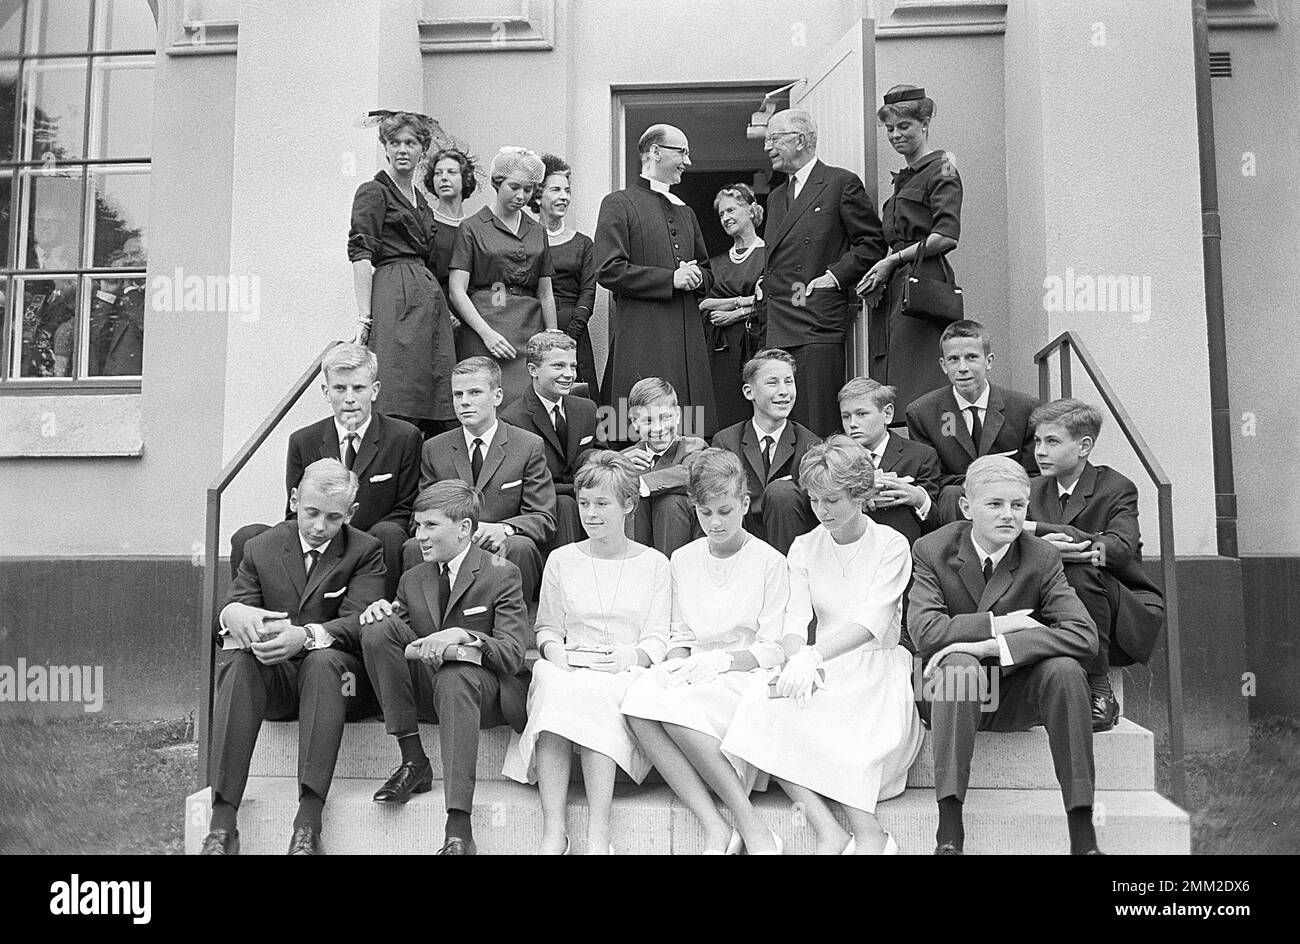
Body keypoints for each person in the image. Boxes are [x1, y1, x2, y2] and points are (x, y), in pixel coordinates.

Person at [723, 436, 922, 854]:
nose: (822, 510)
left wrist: (814, 655)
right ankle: (829, 832)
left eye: (832, 499)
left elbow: (872, 622)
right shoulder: (804, 546)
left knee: (848, 740)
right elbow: (794, 622)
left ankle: (872, 836)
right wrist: (798, 659)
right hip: (821, 665)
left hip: (877, 668)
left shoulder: (892, 545)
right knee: (762, 711)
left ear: (860, 492)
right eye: (814, 499)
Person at [909, 456, 1101, 855]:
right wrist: (1001, 624)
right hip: (950, 696)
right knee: (959, 665)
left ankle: (1083, 835)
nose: (1008, 515)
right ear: (966, 508)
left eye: (1018, 505)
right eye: (994, 504)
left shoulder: (1040, 556)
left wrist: (989, 645)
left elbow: (1083, 636)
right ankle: (949, 833)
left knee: (1065, 670)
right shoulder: (932, 549)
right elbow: (926, 633)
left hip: (1013, 694)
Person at [199, 459, 386, 855]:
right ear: (294, 499)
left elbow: (359, 624)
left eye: (333, 518)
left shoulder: (366, 550)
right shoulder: (261, 547)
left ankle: (307, 825)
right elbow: (237, 609)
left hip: (344, 685)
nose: (319, 526)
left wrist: (305, 637)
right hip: (282, 684)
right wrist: (234, 616)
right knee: (239, 662)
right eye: (311, 513)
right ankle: (221, 825)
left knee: (322, 661)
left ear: (350, 513)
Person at [502, 453, 671, 855]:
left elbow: (658, 637)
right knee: (555, 683)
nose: (590, 514)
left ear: (628, 505)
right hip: (569, 664)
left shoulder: (655, 564)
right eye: (584, 504)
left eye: (602, 504)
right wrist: (554, 651)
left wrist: (631, 658)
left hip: (622, 668)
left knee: (596, 693)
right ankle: (553, 830)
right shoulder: (561, 559)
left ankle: (599, 833)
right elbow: (545, 627)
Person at [621, 448, 788, 854]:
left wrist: (723, 662)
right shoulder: (682, 558)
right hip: (696, 669)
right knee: (638, 704)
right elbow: (679, 634)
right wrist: (674, 666)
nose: (715, 523)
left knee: (677, 713)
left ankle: (752, 826)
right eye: (705, 512)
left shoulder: (770, 561)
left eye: (726, 511)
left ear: (746, 504)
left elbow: (775, 648)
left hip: (744, 673)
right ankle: (714, 824)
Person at [355, 481, 530, 855]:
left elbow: (514, 654)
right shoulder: (413, 576)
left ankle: (458, 828)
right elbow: (397, 637)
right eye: (418, 526)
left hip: (482, 692)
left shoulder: (502, 572)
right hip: (428, 689)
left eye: (431, 526)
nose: (420, 536)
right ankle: (413, 759)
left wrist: (463, 636)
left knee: (454, 677)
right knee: (376, 628)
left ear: (464, 528)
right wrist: (379, 614)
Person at [229, 343, 422, 601]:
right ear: (326, 391)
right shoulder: (304, 440)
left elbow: (404, 510)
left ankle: (377, 622)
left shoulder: (403, 437)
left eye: (359, 388)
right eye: (340, 388)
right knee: (248, 536)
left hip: (372, 544)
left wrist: (354, 541)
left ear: (374, 391)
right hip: (318, 536)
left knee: (389, 533)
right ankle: (248, 623)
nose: (349, 398)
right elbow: (294, 508)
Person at [1025, 398, 1165, 732]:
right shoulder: (1032, 489)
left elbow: (1116, 550)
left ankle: (1098, 687)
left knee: (1081, 569)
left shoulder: (1115, 487)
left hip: (1118, 606)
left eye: (1052, 441)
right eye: (1038, 441)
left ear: (1084, 445)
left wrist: (1043, 533)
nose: (1040, 451)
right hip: (1050, 599)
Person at [759, 109, 886, 436]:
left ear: (799, 140)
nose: (767, 147)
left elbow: (872, 242)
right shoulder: (775, 197)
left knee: (815, 424)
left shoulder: (840, 183)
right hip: (777, 324)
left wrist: (834, 277)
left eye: (774, 139)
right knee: (781, 426)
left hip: (815, 322)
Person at [596, 124, 716, 435]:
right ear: (655, 152)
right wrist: (670, 279)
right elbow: (609, 270)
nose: (687, 162)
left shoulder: (686, 212)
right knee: (629, 432)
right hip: (642, 334)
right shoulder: (618, 203)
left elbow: (707, 272)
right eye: (682, 152)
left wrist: (696, 278)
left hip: (686, 334)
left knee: (691, 434)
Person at [407, 357, 556, 601]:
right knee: (414, 546)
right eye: (458, 394)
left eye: (475, 392)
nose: (464, 402)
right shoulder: (434, 449)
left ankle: (513, 628)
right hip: (451, 543)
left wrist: (504, 528)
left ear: (497, 396)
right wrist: (455, 534)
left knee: (521, 546)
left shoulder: (528, 445)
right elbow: (419, 518)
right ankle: (428, 627)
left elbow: (543, 518)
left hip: (501, 547)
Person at [349, 111, 456, 438]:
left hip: (428, 302)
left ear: (422, 149)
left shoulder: (421, 201)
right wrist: (365, 317)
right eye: (394, 142)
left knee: (434, 389)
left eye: (410, 142)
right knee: (398, 386)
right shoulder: (374, 191)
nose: (402, 150)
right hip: (394, 295)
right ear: (385, 148)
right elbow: (361, 253)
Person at [856, 85, 963, 413]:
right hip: (898, 282)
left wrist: (892, 261)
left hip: (923, 281)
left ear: (925, 123)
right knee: (891, 369)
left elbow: (946, 236)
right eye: (890, 128)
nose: (896, 135)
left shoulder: (942, 168)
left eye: (904, 126)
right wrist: (882, 268)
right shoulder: (904, 178)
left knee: (919, 372)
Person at [448, 146, 557, 405]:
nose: (521, 196)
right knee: (484, 400)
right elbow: (457, 289)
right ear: (498, 183)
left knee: (526, 405)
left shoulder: (537, 230)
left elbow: (546, 292)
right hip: (485, 327)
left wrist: (552, 338)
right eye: (514, 187)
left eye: (528, 190)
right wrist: (486, 333)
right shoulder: (472, 227)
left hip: (529, 330)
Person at [904, 320, 1038, 524]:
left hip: (1009, 497)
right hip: (956, 501)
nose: (962, 368)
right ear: (943, 365)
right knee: (950, 494)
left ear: (989, 361)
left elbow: (1033, 473)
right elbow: (932, 476)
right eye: (953, 359)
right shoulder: (923, 413)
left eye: (972, 358)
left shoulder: (1024, 408)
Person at [711, 349, 818, 555]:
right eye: (773, 382)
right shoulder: (726, 441)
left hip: (790, 544)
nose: (784, 391)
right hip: (742, 545)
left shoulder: (810, 444)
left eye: (789, 381)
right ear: (748, 392)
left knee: (781, 492)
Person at [500, 331, 600, 548]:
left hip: (588, 496)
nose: (569, 374)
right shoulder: (512, 420)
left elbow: (599, 455)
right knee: (565, 505)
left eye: (572, 366)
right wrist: (579, 490)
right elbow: (525, 485)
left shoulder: (587, 408)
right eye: (558, 366)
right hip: (546, 505)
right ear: (533, 370)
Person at [838, 377, 941, 546]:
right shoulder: (836, 458)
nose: (853, 424)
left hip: (903, 548)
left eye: (861, 414)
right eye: (846, 417)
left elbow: (936, 523)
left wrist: (918, 498)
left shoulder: (920, 456)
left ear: (887, 414)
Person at [532, 154, 600, 398]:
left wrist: (571, 333)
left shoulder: (583, 243)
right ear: (538, 195)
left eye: (567, 191)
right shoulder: (526, 240)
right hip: (534, 326)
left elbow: (588, 290)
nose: (564, 197)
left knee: (578, 397)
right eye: (556, 190)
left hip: (575, 331)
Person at [700, 183, 766, 430]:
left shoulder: (770, 255)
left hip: (755, 344)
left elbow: (776, 300)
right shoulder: (716, 262)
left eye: (731, 211)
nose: (725, 218)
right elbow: (703, 303)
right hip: (719, 349)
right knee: (723, 414)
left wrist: (735, 313)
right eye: (721, 214)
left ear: (751, 210)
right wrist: (747, 300)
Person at [620, 376, 707, 558]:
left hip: (680, 537)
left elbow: (691, 473)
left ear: (677, 415)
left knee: (670, 503)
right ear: (634, 422)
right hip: (639, 541)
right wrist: (617, 469)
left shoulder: (694, 446)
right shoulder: (628, 457)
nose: (658, 428)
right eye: (648, 421)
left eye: (665, 418)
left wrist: (640, 483)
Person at [424, 146, 479, 302]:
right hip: (436, 305)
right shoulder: (426, 223)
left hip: (475, 310)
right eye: (437, 173)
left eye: (451, 172)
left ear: (465, 178)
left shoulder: (476, 227)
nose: (443, 178)